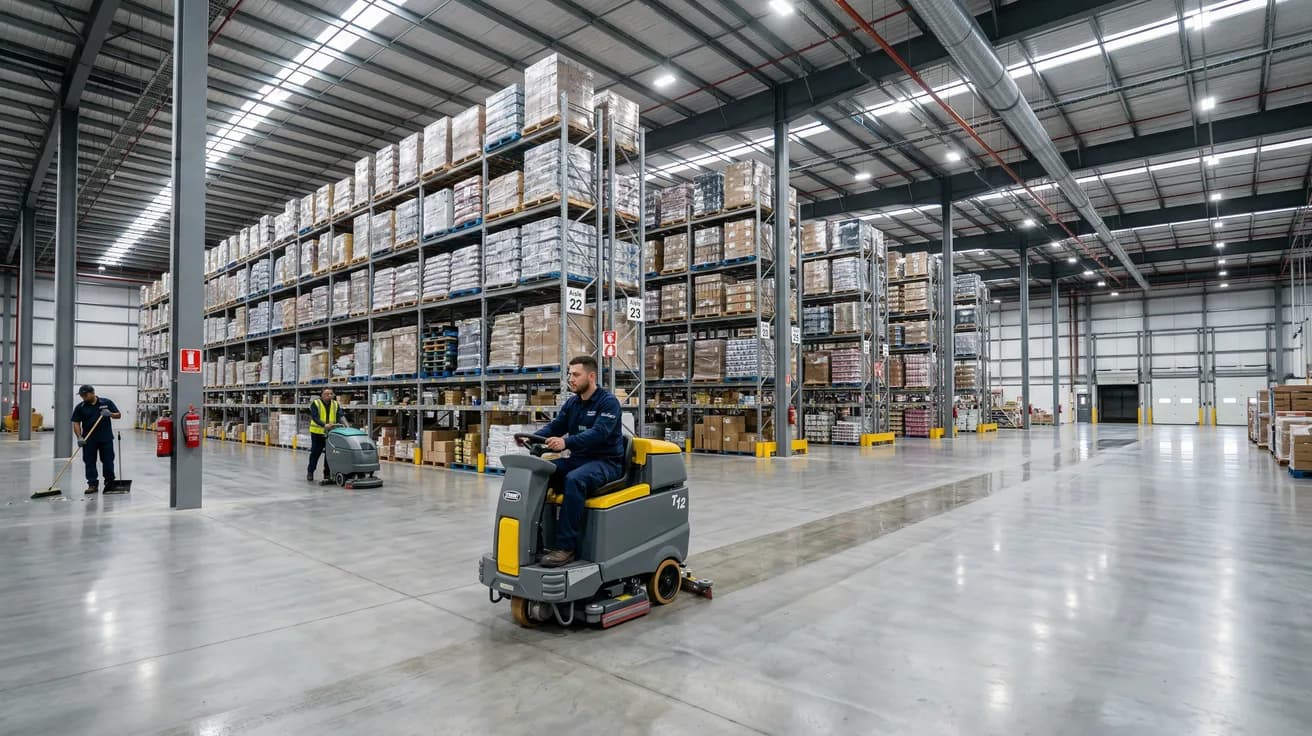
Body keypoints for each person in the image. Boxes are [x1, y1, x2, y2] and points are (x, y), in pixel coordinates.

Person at [524, 355, 625, 568]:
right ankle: (535, 538)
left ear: (591, 376)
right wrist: (533, 437)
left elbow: (600, 433)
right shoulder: (573, 403)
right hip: (580, 459)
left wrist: (566, 443)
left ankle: (565, 548)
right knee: (541, 473)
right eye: (569, 374)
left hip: (607, 463)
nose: (571, 379)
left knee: (574, 480)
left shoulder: (608, 403)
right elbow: (555, 427)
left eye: (576, 374)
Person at [71, 385, 121, 494]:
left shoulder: (106, 402)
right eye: (81, 396)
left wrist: (110, 414)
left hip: (105, 438)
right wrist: (79, 437)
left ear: (93, 393)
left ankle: (109, 482)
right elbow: (76, 422)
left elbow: (118, 415)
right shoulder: (80, 407)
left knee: (108, 461)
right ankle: (92, 484)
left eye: (85, 395)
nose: (83, 397)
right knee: (89, 462)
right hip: (89, 440)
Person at [306, 388, 346, 482]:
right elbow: (315, 417)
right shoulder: (315, 403)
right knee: (315, 453)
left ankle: (327, 474)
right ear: (322, 395)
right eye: (326, 394)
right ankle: (310, 472)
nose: (329, 395)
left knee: (329, 454)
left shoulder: (335, 404)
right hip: (317, 433)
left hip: (330, 433)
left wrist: (346, 425)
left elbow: (340, 415)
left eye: (331, 394)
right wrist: (324, 425)